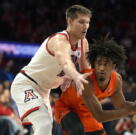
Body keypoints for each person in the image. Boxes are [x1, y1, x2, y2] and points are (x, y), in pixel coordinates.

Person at [10, 4, 92, 135]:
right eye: (81, 22)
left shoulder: (83, 43)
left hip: (44, 91)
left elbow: (87, 71)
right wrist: (75, 76)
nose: (86, 26)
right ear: (70, 21)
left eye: (88, 22)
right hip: (26, 84)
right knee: (43, 123)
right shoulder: (59, 40)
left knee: (46, 130)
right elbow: (65, 62)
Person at [54, 38, 136, 135]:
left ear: (113, 66)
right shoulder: (87, 81)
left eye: (106, 64)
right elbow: (100, 116)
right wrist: (132, 110)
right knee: (78, 131)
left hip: (87, 112)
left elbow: (120, 105)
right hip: (66, 109)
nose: (101, 68)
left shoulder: (116, 80)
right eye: (98, 63)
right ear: (94, 65)